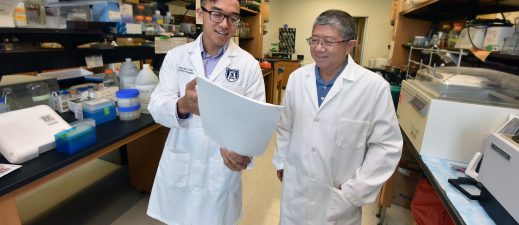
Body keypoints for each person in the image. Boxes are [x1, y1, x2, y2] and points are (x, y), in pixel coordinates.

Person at [272, 10, 402, 225]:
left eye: (328, 41)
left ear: (350, 45)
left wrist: (355, 192)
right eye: (314, 40)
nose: (318, 48)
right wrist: (281, 162)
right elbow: (285, 126)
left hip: (338, 201)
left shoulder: (373, 87)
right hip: (296, 191)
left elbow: (387, 146)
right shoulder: (297, 79)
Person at [146, 0, 266, 224]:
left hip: (221, 174)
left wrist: (243, 154)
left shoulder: (248, 65)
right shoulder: (176, 57)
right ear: (201, 13)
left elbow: (256, 124)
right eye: (217, 14)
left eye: (233, 17)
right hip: (182, 162)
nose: (225, 24)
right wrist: (183, 105)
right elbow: (156, 106)